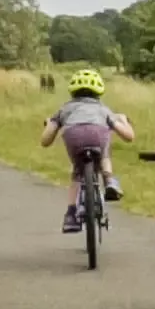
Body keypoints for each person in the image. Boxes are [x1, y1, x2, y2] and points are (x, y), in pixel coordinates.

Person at [40, 69, 134, 232]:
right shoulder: (103, 109)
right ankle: (109, 180)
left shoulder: (65, 109)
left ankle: (71, 215)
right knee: (104, 153)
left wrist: (50, 123)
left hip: (73, 136)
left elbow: (45, 141)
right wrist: (124, 120)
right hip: (99, 134)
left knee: (77, 173)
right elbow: (129, 136)